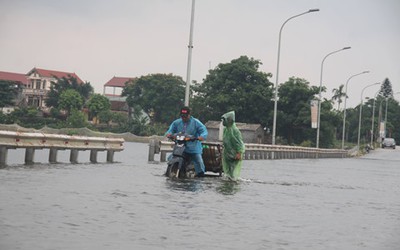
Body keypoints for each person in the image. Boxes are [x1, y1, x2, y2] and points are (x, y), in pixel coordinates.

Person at [165, 106, 208, 177]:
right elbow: (170, 130)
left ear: (189, 115)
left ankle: (200, 175)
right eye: (182, 116)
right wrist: (169, 134)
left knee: (198, 161)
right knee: (170, 157)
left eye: (185, 116)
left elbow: (204, 131)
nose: (184, 118)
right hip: (180, 148)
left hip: (193, 148)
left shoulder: (196, 122)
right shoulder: (176, 122)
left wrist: (201, 137)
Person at [221, 111, 245, 180]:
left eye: (224, 120)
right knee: (227, 171)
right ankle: (229, 180)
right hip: (227, 153)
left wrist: (239, 152)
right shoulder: (226, 130)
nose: (223, 122)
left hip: (235, 153)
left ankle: (233, 182)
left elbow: (239, 142)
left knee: (233, 170)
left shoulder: (235, 130)